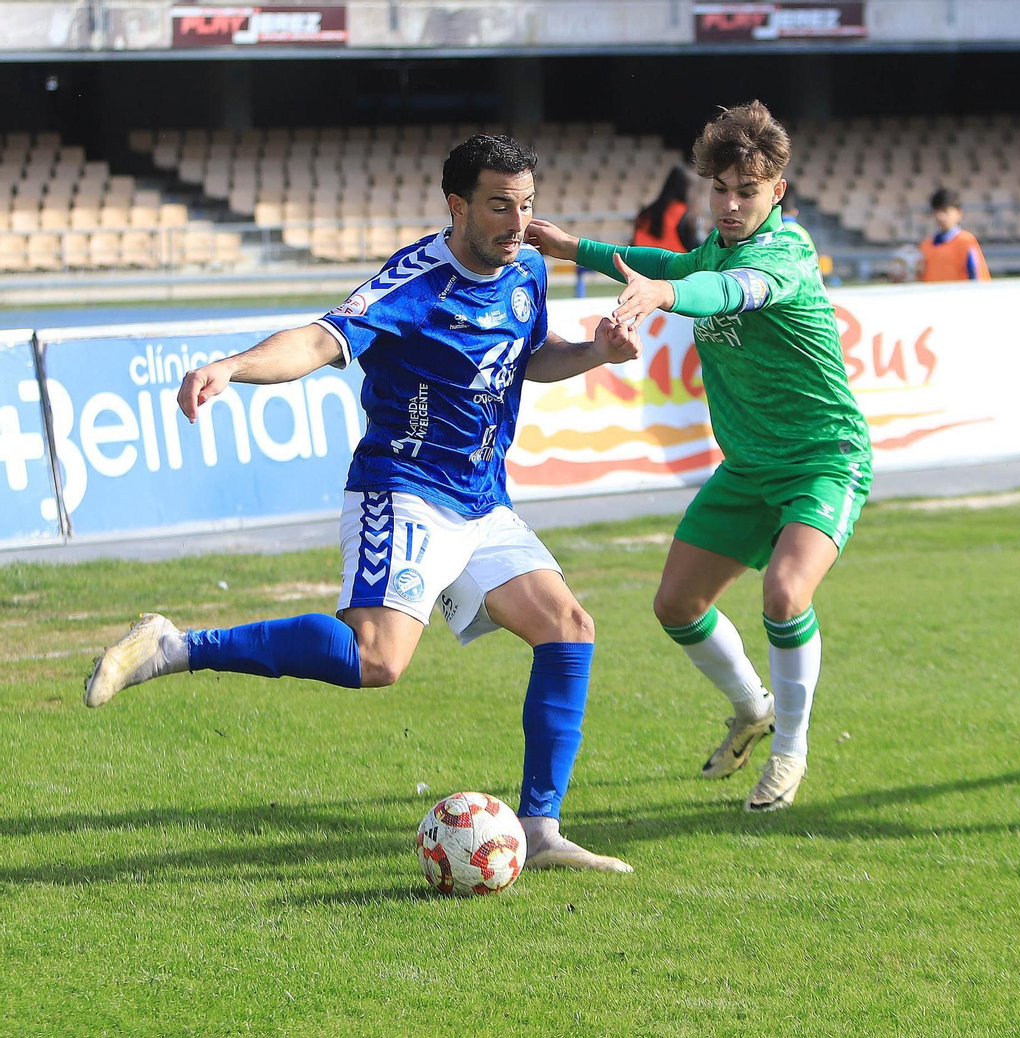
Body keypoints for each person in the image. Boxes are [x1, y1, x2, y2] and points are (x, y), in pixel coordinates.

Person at [83, 134, 641, 873]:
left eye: (527, 205)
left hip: (482, 501)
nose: (517, 223)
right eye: (500, 206)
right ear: (457, 206)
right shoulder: (413, 284)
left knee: (569, 629)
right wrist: (234, 367)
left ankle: (539, 831)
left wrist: (597, 350)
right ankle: (172, 646)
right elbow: (319, 340)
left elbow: (528, 359)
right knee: (377, 660)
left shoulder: (528, 271)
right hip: (402, 491)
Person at [528, 100, 872, 812]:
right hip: (748, 468)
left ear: (777, 191)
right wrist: (574, 249)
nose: (730, 203)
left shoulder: (786, 253)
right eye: (719, 189)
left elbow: (727, 290)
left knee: (785, 593)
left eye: (746, 190)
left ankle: (789, 751)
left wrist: (667, 293)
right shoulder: (713, 249)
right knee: (676, 604)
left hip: (823, 458)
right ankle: (754, 706)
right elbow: (671, 263)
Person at [918, 187, 990, 282]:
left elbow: (977, 276)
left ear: (959, 213)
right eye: (937, 211)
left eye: (945, 210)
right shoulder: (925, 245)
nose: (940, 216)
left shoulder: (966, 241)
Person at [631, 166, 702, 252]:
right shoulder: (688, 218)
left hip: (641, 262)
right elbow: (700, 250)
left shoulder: (645, 213)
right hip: (674, 264)